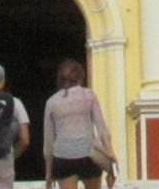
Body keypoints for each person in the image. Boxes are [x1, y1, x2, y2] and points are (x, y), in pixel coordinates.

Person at [43, 59, 113, 189]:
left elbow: (48, 142)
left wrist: (48, 174)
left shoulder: (51, 102)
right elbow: (102, 128)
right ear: (81, 78)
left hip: (63, 156)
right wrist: (110, 153)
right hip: (89, 154)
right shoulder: (89, 95)